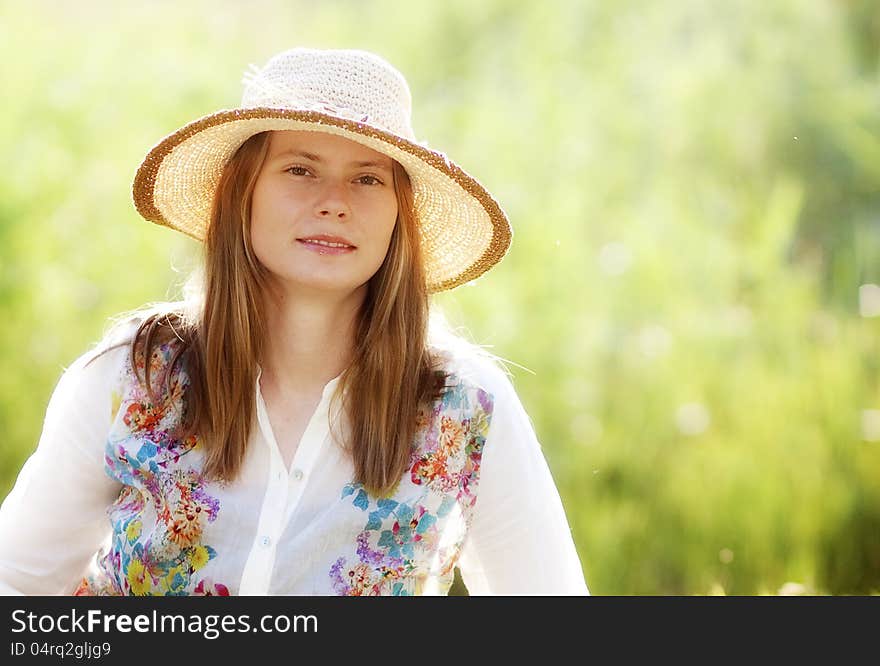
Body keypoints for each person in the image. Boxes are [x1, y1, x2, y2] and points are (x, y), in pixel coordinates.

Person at [0, 47, 588, 596]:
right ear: (242, 194)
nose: (335, 201)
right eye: (300, 169)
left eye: (367, 178)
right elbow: (18, 584)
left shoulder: (465, 406)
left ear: (397, 216)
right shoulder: (135, 376)